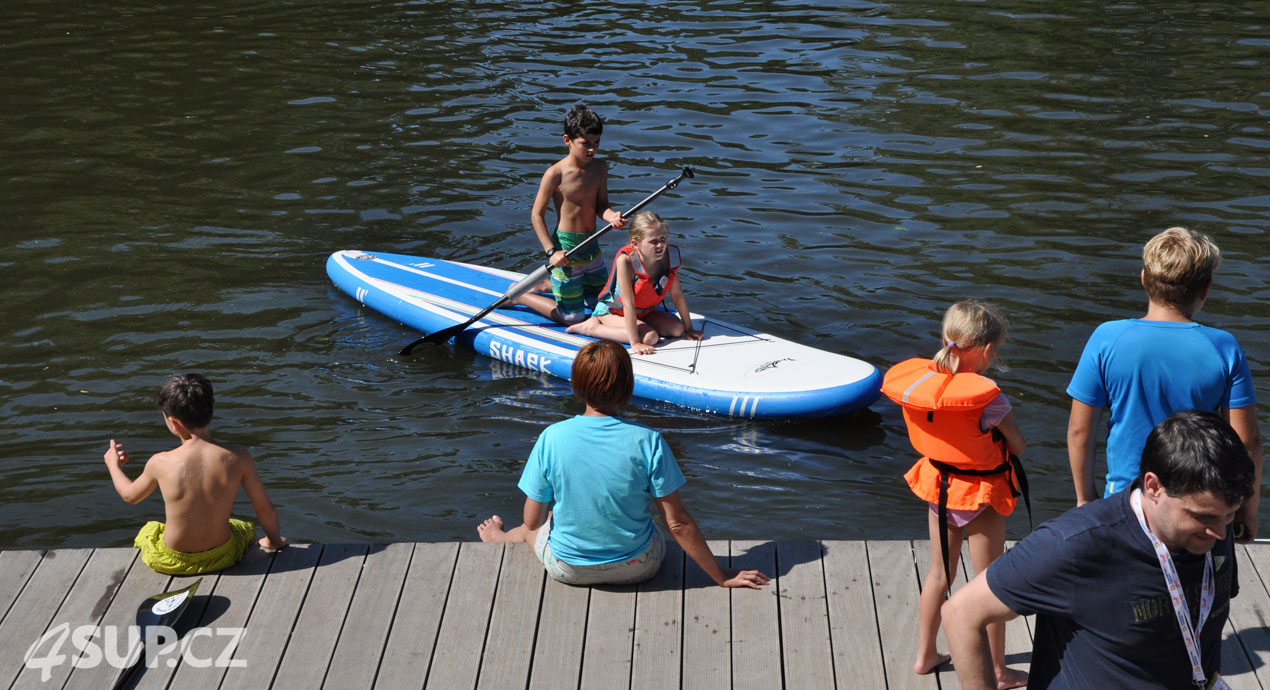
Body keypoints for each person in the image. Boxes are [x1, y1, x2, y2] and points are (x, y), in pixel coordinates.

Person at [944, 410, 1255, 690]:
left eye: (1229, 515)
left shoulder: (1212, 527)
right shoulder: (1074, 545)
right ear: (1153, 487)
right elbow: (961, 614)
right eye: (1203, 517)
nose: (1219, 531)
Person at [476, 339, 768, 589]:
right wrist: (721, 576)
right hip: (639, 567)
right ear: (629, 387)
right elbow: (677, 522)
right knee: (648, 519)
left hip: (569, 570)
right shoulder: (649, 441)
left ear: (577, 387)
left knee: (538, 526)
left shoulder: (551, 437)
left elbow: (532, 521)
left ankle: (497, 537)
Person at [1066, 226, 1262, 540]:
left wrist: (1086, 500)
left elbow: (1079, 431)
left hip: (1127, 501)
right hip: (1200, 503)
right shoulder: (1224, 347)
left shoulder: (1107, 338)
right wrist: (1246, 510)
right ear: (1205, 289)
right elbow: (1247, 442)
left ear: (1144, 279)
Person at [880, 300, 1028, 688]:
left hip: (938, 489)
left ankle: (925, 654)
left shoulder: (923, 387)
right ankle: (997, 670)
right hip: (979, 496)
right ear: (987, 351)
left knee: (938, 574)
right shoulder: (991, 400)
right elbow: (1018, 445)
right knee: (990, 582)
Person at [103, 374, 286, 575]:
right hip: (222, 556)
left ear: (173, 422)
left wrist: (114, 465)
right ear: (213, 408)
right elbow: (264, 508)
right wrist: (274, 541)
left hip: (173, 560)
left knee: (149, 530)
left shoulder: (160, 462)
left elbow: (130, 496)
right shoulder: (238, 456)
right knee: (242, 527)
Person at [514, 104, 627, 325]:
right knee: (572, 318)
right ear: (567, 140)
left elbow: (601, 205)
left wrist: (612, 216)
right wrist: (551, 252)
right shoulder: (555, 173)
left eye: (596, 143)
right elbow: (536, 215)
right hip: (566, 249)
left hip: (592, 246)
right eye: (586, 144)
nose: (592, 149)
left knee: (602, 305)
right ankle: (523, 295)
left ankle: (547, 285)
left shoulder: (600, 167)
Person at [561, 211, 701, 354]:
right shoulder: (626, 261)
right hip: (613, 312)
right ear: (635, 243)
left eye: (663, 239)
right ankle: (592, 328)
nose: (660, 245)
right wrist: (635, 343)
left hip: (644, 312)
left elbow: (677, 295)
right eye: (653, 241)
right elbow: (628, 304)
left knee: (678, 329)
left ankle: (646, 327)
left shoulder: (668, 258)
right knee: (650, 337)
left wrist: (689, 328)